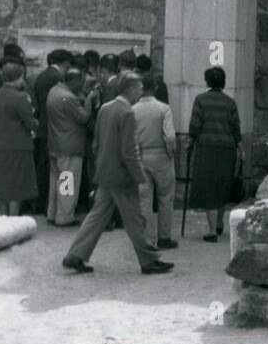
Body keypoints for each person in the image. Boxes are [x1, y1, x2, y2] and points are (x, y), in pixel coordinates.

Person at [62, 74, 173, 276]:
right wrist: (138, 176)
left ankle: (76, 254)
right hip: (122, 176)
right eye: (139, 89)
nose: (141, 92)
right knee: (135, 220)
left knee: (96, 217)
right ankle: (149, 260)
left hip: (105, 172)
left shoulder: (106, 108)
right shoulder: (127, 113)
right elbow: (129, 150)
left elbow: (96, 142)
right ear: (130, 90)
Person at [186, 66, 242, 242]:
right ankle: (219, 224)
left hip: (206, 147)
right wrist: (240, 147)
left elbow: (195, 124)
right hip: (227, 148)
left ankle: (211, 231)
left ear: (207, 81)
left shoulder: (201, 100)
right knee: (222, 184)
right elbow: (235, 127)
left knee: (209, 186)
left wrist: (190, 141)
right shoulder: (230, 102)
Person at [133, 73, 179, 250]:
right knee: (165, 197)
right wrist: (170, 153)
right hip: (161, 155)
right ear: (155, 88)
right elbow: (169, 136)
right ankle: (165, 236)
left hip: (141, 155)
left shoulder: (133, 109)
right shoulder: (164, 108)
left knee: (144, 199)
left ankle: (147, 239)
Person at [47, 68, 94, 227]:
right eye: (80, 83)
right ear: (74, 81)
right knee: (67, 182)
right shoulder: (69, 98)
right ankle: (65, 217)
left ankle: (52, 214)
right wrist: (88, 101)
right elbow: (83, 118)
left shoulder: (54, 91)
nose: (81, 87)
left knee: (55, 182)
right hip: (69, 147)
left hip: (55, 143)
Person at [0, 61, 37, 216]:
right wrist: (36, 122)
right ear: (17, 77)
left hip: (0, 145)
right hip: (18, 146)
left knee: (4, 188)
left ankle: (4, 223)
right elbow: (30, 123)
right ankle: (14, 221)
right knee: (16, 189)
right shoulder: (20, 97)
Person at [33, 49, 70, 214]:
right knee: (66, 174)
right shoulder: (57, 79)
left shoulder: (41, 76)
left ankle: (48, 207)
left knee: (49, 172)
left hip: (44, 128)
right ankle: (64, 211)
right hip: (60, 134)